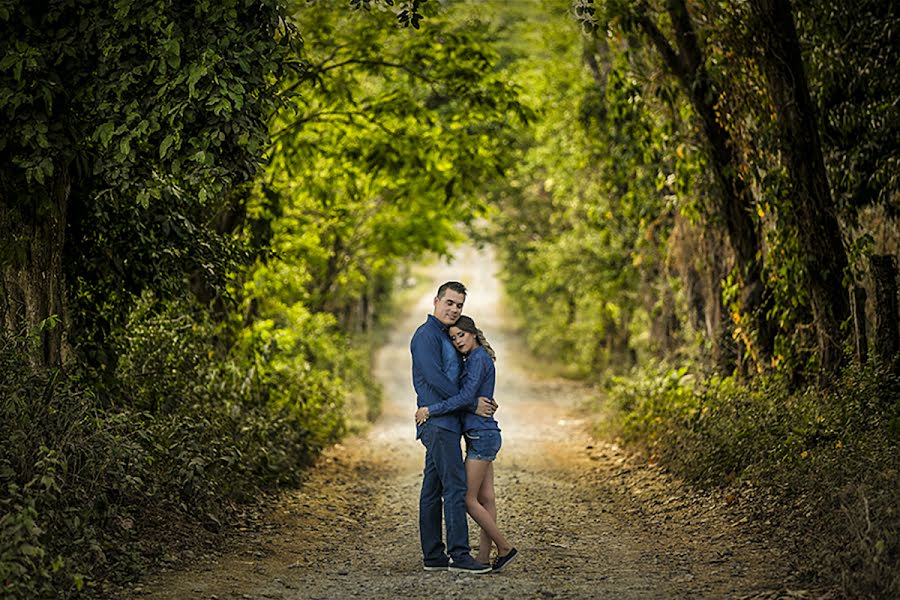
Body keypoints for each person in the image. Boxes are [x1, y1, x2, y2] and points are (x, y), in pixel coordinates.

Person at [415, 315, 518, 573]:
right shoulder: (474, 359)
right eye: (453, 338)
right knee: (486, 497)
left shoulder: (477, 359)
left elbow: (464, 397)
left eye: (461, 335)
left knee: (465, 497)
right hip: (482, 434)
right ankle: (483, 557)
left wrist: (431, 409)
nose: (458, 341)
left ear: (473, 333)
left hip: (481, 435)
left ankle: (504, 547)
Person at [410, 282, 497, 574]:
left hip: (448, 423)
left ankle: (433, 555)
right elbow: (436, 379)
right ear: (436, 300)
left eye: (459, 305)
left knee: (433, 489)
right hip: (438, 425)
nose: (453, 309)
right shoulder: (425, 336)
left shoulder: (446, 335)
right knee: (456, 487)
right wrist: (471, 404)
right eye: (449, 303)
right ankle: (459, 555)